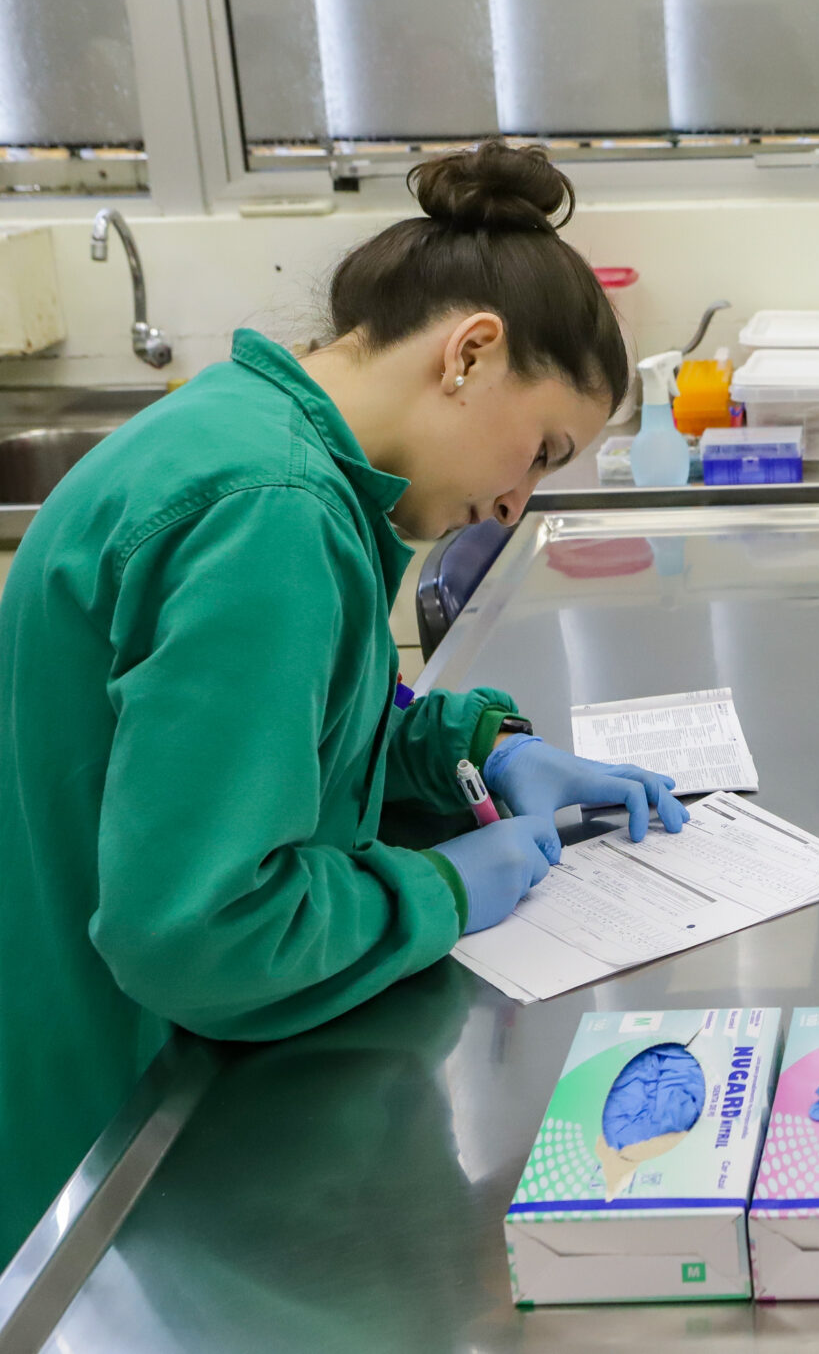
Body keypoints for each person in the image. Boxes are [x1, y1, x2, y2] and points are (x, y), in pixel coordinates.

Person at [0, 142, 687, 1262]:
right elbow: (198, 933)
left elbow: (286, 729)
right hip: (123, 1124)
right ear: (470, 353)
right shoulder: (266, 513)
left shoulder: (257, 434)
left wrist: (479, 747)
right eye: (542, 449)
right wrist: (438, 890)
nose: (515, 500)